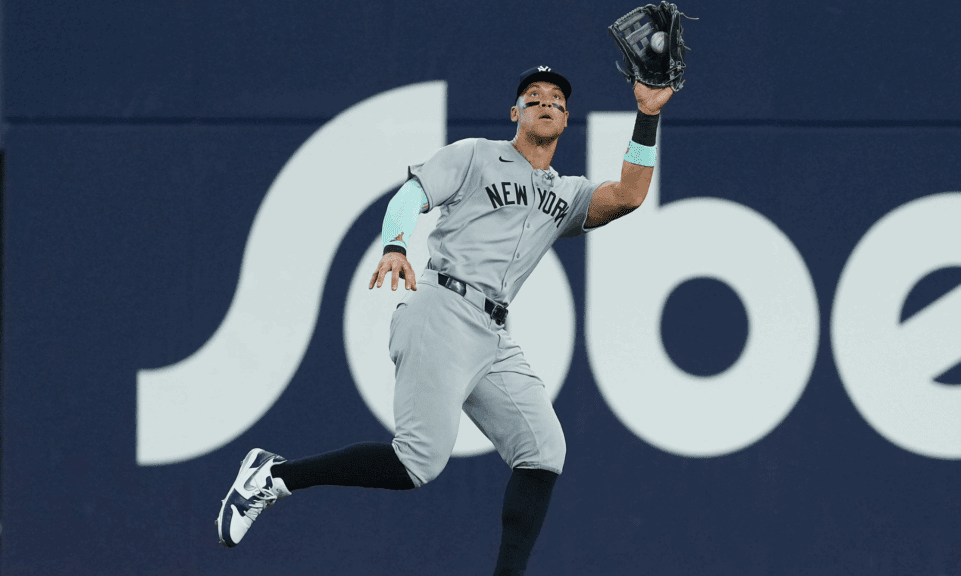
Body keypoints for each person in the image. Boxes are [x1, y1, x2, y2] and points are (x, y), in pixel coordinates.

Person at [216, 65, 675, 575]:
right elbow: (411, 195)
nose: (546, 101)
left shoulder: (565, 193)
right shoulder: (475, 155)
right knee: (416, 463)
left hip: (492, 333)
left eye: (556, 99)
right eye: (533, 95)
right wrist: (395, 245)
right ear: (515, 113)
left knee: (544, 450)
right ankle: (273, 477)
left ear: (566, 120)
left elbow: (629, 195)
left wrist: (647, 115)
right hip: (443, 307)